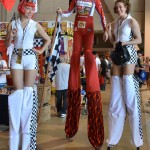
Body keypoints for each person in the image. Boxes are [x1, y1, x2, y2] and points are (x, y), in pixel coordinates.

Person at [57, 0, 108, 149]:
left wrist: (105, 29)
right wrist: (61, 13)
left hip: (89, 28)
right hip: (77, 27)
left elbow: (102, 15)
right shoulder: (75, 0)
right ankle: (71, 125)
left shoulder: (95, 1)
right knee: (75, 54)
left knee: (88, 53)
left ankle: (91, 80)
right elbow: (69, 11)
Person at [4, 0, 50, 149]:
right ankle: (16, 129)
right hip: (16, 57)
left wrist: (41, 50)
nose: (30, 11)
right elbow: (6, 44)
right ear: (21, 8)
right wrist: (10, 35)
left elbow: (48, 39)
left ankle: (27, 134)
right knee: (18, 93)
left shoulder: (35, 25)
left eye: (32, 9)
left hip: (31, 58)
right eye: (28, 8)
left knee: (29, 93)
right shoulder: (13, 24)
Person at [106, 0, 143, 150]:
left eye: (121, 6)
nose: (119, 9)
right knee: (115, 97)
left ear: (126, 7)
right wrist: (108, 33)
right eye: (117, 7)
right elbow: (114, 41)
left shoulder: (132, 21)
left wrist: (125, 43)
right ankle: (112, 139)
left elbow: (139, 39)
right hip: (117, 55)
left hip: (129, 54)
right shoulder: (115, 23)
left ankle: (137, 141)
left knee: (130, 95)